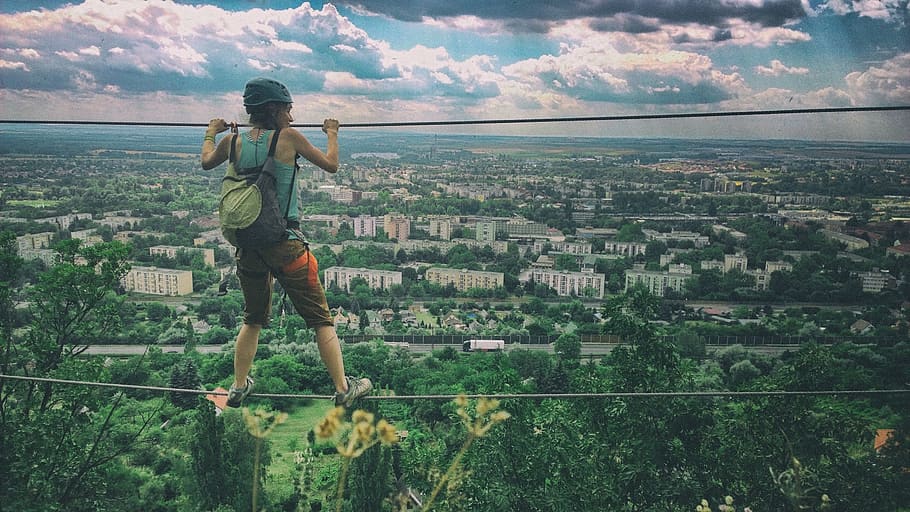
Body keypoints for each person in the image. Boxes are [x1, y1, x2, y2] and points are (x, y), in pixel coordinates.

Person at [201, 77, 372, 408]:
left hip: (248, 248)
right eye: (288, 110)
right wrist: (332, 132)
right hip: (286, 245)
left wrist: (212, 131)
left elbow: (206, 160)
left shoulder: (233, 141)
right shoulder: (288, 138)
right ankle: (342, 388)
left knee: (252, 319)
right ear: (274, 110)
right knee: (321, 320)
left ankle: (238, 386)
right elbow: (332, 165)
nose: (292, 117)